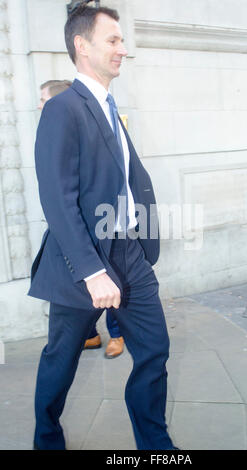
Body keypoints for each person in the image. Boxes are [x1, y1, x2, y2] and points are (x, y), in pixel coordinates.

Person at [28, 4, 177, 450]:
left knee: (154, 350)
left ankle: (156, 446)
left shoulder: (110, 107)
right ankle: (46, 439)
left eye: (122, 41)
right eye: (112, 40)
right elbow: (57, 199)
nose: (123, 50)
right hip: (84, 260)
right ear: (82, 45)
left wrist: (143, 237)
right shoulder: (62, 109)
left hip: (129, 253)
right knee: (61, 359)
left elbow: (129, 180)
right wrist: (92, 272)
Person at [38, 79, 125, 358]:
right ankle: (90, 335)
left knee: (114, 289)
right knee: (74, 300)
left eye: (43, 99)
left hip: (105, 230)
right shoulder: (53, 125)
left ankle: (117, 334)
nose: (40, 105)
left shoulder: (88, 121)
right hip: (73, 233)